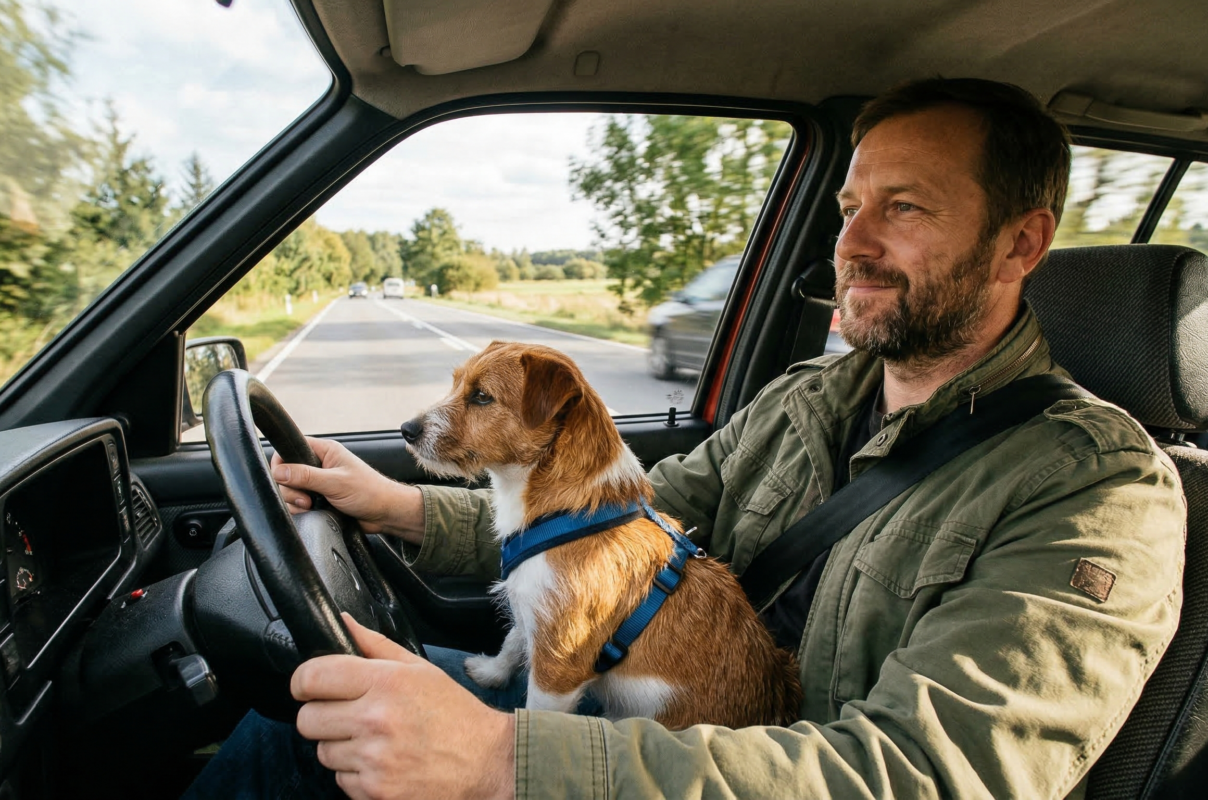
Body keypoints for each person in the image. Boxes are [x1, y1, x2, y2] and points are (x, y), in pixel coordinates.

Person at [185, 78, 1185, 800]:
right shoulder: (807, 398)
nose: (851, 242)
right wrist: (402, 505)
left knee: (304, 748)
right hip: (663, 738)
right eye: (848, 207)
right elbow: (622, 524)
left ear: (1021, 242)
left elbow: (925, 774)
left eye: (905, 208)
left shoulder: (1094, 492)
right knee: (309, 718)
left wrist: (504, 761)